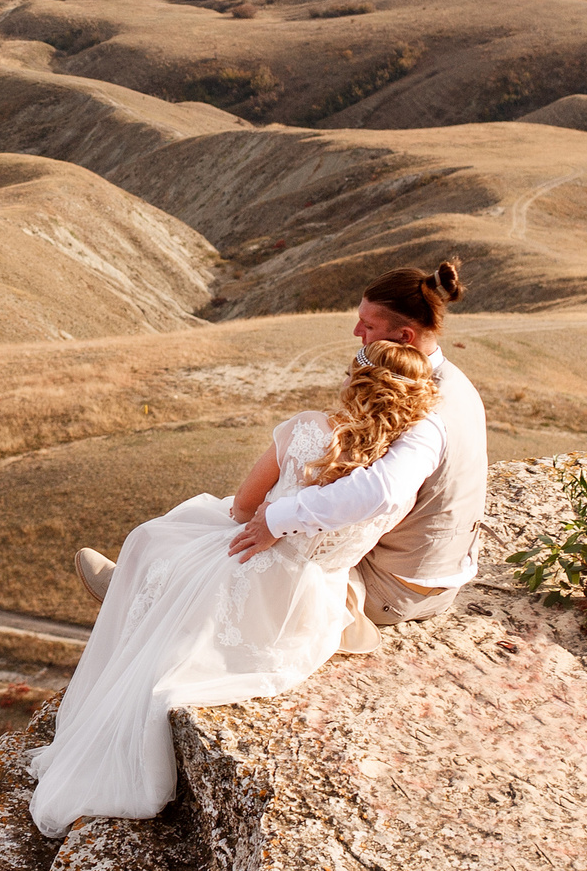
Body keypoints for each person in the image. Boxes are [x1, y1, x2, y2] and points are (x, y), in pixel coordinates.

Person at [32, 262, 487, 837]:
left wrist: (280, 513)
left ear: (401, 338)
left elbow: (381, 490)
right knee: (274, 507)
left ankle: (156, 589)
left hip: (399, 587)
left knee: (256, 527)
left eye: (367, 326)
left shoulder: (429, 415)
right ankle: (157, 579)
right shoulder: (448, 382)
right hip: (425, 559)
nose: (356, 336)